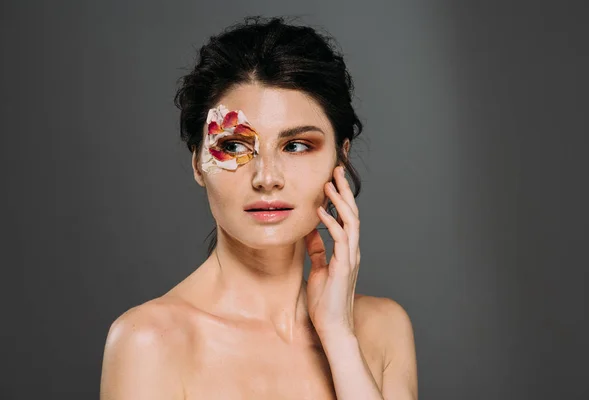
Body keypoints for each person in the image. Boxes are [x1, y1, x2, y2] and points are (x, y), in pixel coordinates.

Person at [100, 16, 417, 399]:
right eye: (233, 146)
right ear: (198, 162)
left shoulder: (383, 328)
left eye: (296, 145)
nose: (266, 177)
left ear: (341, 158)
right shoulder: (149, 342)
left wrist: (340, 337)